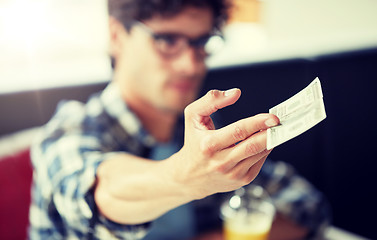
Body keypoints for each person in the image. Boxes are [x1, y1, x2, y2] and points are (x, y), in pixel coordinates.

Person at [28, 0, 331, 239]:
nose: (190, 65)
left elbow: (305, 206)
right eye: (167, 40)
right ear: (117, 35)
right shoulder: (71, 129)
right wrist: (185, 175)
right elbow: (97, 191)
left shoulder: (197, 133)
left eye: (201, 42)